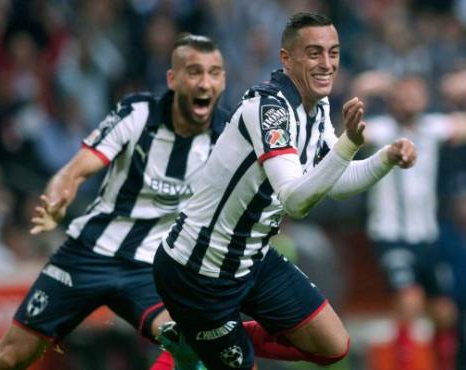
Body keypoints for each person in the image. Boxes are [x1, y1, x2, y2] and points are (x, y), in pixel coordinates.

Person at [152, 12, 417, 370]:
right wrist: (349, 144)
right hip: (200, 271)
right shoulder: (270, 110)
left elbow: (334, 183)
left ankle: (195, 340)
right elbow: (295, 200)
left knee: (332, 345)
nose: (327, 64)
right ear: (286, 58)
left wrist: (386, 158)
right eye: (314, 53)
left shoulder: (317, 107)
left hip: (252, 259)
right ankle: (200, 339)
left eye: (333, 52)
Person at [0, 33, 227, 370]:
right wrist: (59, 194)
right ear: (173, 79)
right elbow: (76, 169)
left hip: (151, 269)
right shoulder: (137, 114)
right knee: (9, 357)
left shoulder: (228, 136)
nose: (205, 82)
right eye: (194, 72)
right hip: (87, 254)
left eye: (215, 72)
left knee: (192, 343)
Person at [353, 72, 466, 370]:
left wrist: (459, 93)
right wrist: (359, 94)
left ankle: (445, 364)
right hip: (390, 234)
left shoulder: (433, 127)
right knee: (410, 299)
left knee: (445, 312)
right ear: (392, 100)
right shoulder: (381, 129)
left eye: (415, 95)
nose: (409, 100)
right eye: (403, 95)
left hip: (427, 234)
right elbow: (348, 136)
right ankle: (406, 365)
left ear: (425, 98)